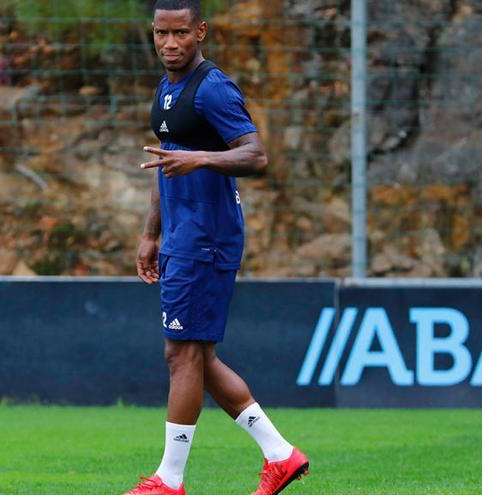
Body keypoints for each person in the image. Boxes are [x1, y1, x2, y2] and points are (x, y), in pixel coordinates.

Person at [125, 1, 309, 494]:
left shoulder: (213, 88)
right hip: (181, 234)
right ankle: (281, 455)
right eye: (161, 33)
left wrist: (202, 158)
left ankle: (169, 480)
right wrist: (150, 233)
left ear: (200, 31)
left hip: (207, 237)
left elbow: (256, 153)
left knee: (181, 354)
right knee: (194, 357)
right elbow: (165, 163)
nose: (169, 43)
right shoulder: (167, 88)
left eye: (180, 32)